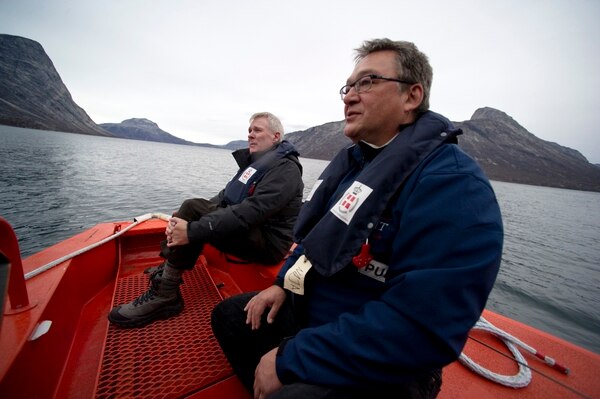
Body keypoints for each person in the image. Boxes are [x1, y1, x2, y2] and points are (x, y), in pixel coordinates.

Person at [211, 39, 503, 399]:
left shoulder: (453, 184)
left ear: (411, 97)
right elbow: (314, 241)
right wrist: (283, 283)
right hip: (316, 316)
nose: (349, 96)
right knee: (229, 317)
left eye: (367, 82)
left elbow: (422, 327)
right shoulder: (354, 169)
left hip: (388, 360)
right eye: (348, 86)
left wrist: (289, 359)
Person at [109, 112, 304, 328]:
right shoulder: (256, 166)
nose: (250, 135)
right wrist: (185, 217)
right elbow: (224, 197)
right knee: (191, 208)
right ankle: (169, 269)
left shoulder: (286, 170)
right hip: (252, 231)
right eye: (249, 130)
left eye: (257, 130)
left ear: (276, 136)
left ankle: (165, 295)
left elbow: (252, 211)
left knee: (193, 210)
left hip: (268, 244)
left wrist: (192, 228)